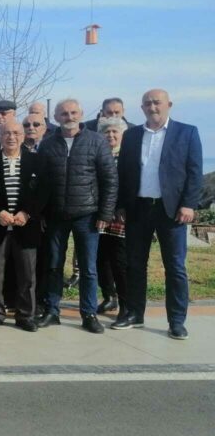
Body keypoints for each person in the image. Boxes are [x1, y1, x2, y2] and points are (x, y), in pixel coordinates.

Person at [113, 89, 203, 339]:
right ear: (141, 108)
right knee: (134, 265)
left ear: (169, 105)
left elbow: (195, 172)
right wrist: (121, 205)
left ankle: (176, 320)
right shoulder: (131, 136)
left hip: (171, 210)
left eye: (157, 102)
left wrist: (189, 204)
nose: (152, 107)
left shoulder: (187, 132)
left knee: (175, 267)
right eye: (147, 103)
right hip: (138, 208)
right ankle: (134, 314)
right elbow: (124, 172)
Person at [35, 98, 117, 333]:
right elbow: (41, 182)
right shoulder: (48, 144)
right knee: (53, 265)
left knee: (89, 268)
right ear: (56, 118)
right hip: (56, 215)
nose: (68, 117)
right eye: (63, 114)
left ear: (80, 114)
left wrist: (105, 212)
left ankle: (89, 314)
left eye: (73, 113)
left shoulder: (97, 141)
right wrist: (41, 212)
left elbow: (110, 179)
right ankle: (52, 310)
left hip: (87, 215)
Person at [0, 118, 47, 331]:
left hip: (26, 227)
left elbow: (44, 192)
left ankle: (26, 316)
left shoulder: (37, 161)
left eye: (16, 133)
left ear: (23, 136)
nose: (11, 137)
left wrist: (27, 213)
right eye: (6, 133)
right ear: (0, 136)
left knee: (27, 275)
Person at [95, 116, 128, 319]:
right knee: (100, 258)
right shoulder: (98, 155)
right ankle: (109, 296)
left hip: (120, 215)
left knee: (119, 260)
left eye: (115, 131)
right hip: (98, 214)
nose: (111, 135)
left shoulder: (127, 157)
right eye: (107, 132)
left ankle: (126, 303)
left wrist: (122, 207)